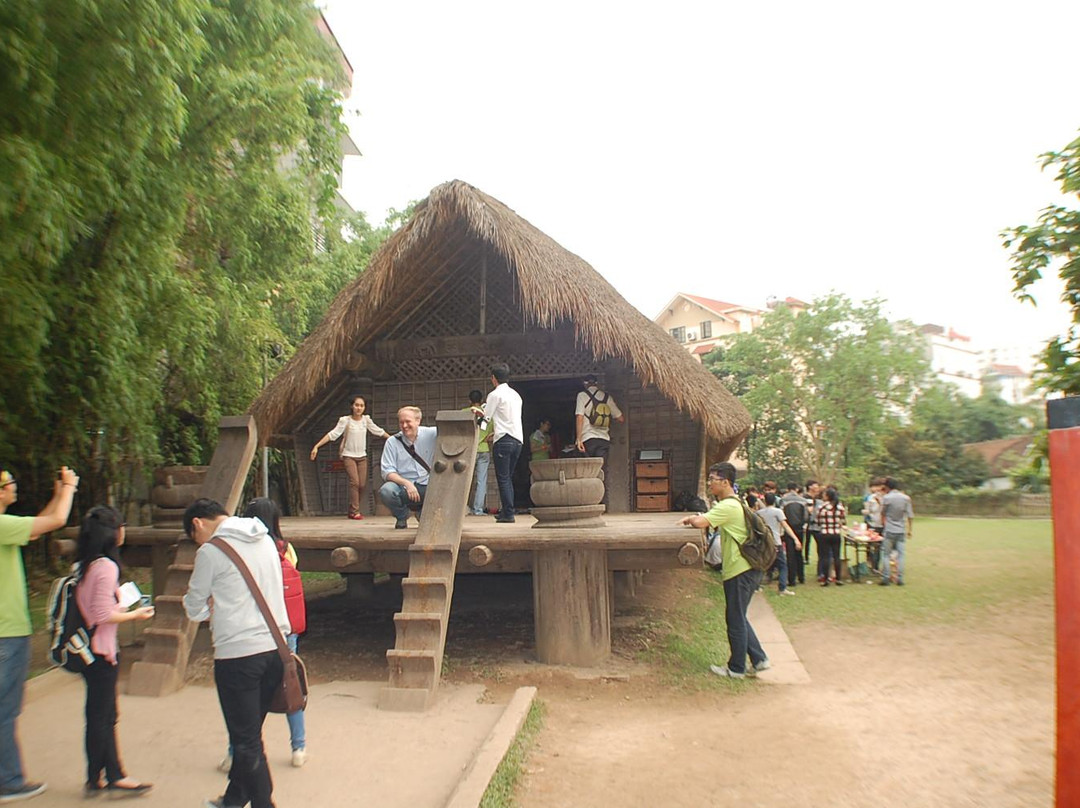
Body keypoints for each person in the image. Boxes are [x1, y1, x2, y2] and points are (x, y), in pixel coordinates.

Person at [183, 498, 290, 808]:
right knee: (250, 735)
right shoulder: (265, 539)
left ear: (198, 523)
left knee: (245, 741)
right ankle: (234, 799)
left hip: (238, 655)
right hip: (275, 650)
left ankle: (264, 803)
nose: (198, 542)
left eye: (195, 537)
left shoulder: (211, 552)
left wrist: (213, 607)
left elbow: (194, 608)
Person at [0, 465, 79, 803]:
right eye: (9, 482)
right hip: (6, 634)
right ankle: (7, 781)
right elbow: (57, 521)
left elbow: (36, 529)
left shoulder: (7, 527)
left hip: (8, 632)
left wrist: (58, 493)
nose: (13, 486)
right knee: (4, 709)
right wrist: (70, 487)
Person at [218, 498, 307, 773]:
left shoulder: (243, 549)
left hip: (253, 629)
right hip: (283, 628)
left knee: (246, 700)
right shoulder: (286, 548)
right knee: (290, 687)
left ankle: (235, 753)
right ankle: (298, 747)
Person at [73, 506, 155, 797]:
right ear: (112, 533)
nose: (124, 531)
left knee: (102, 713)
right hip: (102, 651)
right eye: (121, 526)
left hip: (88, 649)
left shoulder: (84, 564)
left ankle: (104, 775)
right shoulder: (106, 567)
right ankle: (105, 777)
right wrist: (135, 615)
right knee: (103, 716)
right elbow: (102, 614)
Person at [677, 462, 769, 679]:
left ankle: (736, 668)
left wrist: (690, 518)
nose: (709, 483)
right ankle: (759, 659)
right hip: (748, 569)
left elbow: (701, 522)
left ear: (725, 482)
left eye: (712, 480)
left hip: (740, 570)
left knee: (735, 619)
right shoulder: (736, 503)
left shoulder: (727, 506)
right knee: (739, 616)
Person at [309, 395, 388, 520]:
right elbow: (333, 434)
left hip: (362, 456)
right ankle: (356, 511)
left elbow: (378, 431)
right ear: (352, 406)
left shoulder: (366, 420)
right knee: (354, 482)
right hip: (349, 456)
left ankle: (352, 509)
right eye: (356, 405)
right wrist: (317, 446)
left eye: (361, 406)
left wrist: (392, 439)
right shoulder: (345, 420)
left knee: (362, 485)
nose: (359, 408)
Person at [379, 406, 438, 529]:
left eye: (408, 421)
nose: (404, 426)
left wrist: (473, 415)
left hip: (427, 484)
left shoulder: (432, 433)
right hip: (403, 486)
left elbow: (454, 429)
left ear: (418, 421)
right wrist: (407, 483)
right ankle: (402, 516)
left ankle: (424, 512)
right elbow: (387, 471)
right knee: (386, 491)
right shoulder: (392, 441)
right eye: (401, 422)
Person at [575, 374, 624, 506]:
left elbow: (579, 417)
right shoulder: (607, 397)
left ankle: (588, 501)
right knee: (600, 471)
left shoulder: (582, 396)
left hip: (588, 438)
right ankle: (600, 501)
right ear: (597, 384)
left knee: (587, 471)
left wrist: (578, 439)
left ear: (585, 384)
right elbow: (620, 418)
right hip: (603, 439)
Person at [483, 364, 523, 524]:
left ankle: (508, 513)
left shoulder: (494, 395)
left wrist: (481, 428)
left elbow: (486, 418)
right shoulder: (516, 395)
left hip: (503, 440)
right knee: (508, 477)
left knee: (503, 478)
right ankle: (506, 511)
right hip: (517, 439)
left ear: (493, 378)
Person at [759, 493, 801, 595]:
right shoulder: (778, 512)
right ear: (775, 501)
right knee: (782, 566)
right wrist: (795, 539)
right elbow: (786, 526)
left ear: (764, 501)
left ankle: (757, 585)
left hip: (764, 542)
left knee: (762, 564)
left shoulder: (758, 513)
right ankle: (782, 588)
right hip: (775, 541)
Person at [879, 477, 914, 586]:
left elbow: (883, 514)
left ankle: (886, 578)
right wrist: (910, 530)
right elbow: (910, 515)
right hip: (901, 530)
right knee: (901, 555)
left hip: (889, 529)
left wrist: (884, 525)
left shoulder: (886, 498)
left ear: (887, 486)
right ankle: (900, 578)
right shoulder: (905, 498)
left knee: (886, 555)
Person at [465, 391, 493, 516]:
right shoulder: (488, 414)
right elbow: (493, 433)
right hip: (483, 449)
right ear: (482, 400)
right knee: (481, 481)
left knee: (465, 480)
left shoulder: (464, 412)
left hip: (468, 450)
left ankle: (462, 508)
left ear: (469, 401)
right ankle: (478, 509)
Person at [780, 483, 809, 586]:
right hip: (799, 529)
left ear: (788, 489)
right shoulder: (803, 500)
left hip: (788, 529)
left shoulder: (783, 500)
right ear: (796, 489)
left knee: (790, 554)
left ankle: (791, 579)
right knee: (799, 553)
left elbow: (781, 515)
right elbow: (806, 516)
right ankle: (801, 577)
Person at [817, 486, 847, 587]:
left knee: (825, 557)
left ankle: (826, 579)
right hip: (836, 533)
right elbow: (843, 521)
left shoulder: (822, 507)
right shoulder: (840, 507)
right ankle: (838, 579)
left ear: (827, 496)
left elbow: (818, 521)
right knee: (837, 556)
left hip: (825, 533)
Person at [863, 477, 885, 572]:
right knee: (870, 544)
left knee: (878, 546)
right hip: (871, 524)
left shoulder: (886, 497)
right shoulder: (869, 497)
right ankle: (870, 562)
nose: (876, 489)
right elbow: (867, 510)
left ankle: (875, 566)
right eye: (874, 486)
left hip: (882, 524)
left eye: (878, 486)